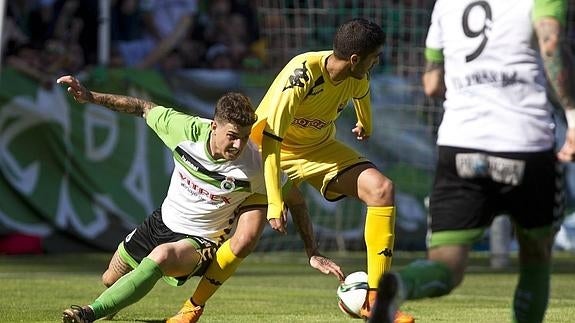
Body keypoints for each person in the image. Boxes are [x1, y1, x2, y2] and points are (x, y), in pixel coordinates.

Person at [56, 75, 343, 323]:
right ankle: (109, 304)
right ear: (213, 126)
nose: (238, 144)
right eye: (232, 136)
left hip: (199, 243)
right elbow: (142, 107)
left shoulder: (256, 162)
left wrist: (312, 252)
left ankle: (88, 313)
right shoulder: (184, 129)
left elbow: (297, 200)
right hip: (159, 223)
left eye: (244, 137)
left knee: (161, 257)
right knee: (109, 279)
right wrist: (91, 96)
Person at [371, 1, 575, 322]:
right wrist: (572, 114)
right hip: (524, 143)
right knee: (536, 256)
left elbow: (431, 84)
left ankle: (400, 285)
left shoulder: (446, 4)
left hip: (460, 145)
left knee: (446, 267)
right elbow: (551, 46)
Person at [249, 18, 414, 323]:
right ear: (355, 59)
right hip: (264, 154)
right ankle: (191, 305)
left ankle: (376, 303)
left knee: (382, 189)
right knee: (242, 239)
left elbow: (362, 95)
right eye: (374, 57)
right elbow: (272, 141)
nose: (377, 62)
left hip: (319, 151)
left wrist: (367, 124)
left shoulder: (357, 77)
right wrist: (274, 201)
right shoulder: (302, 74)